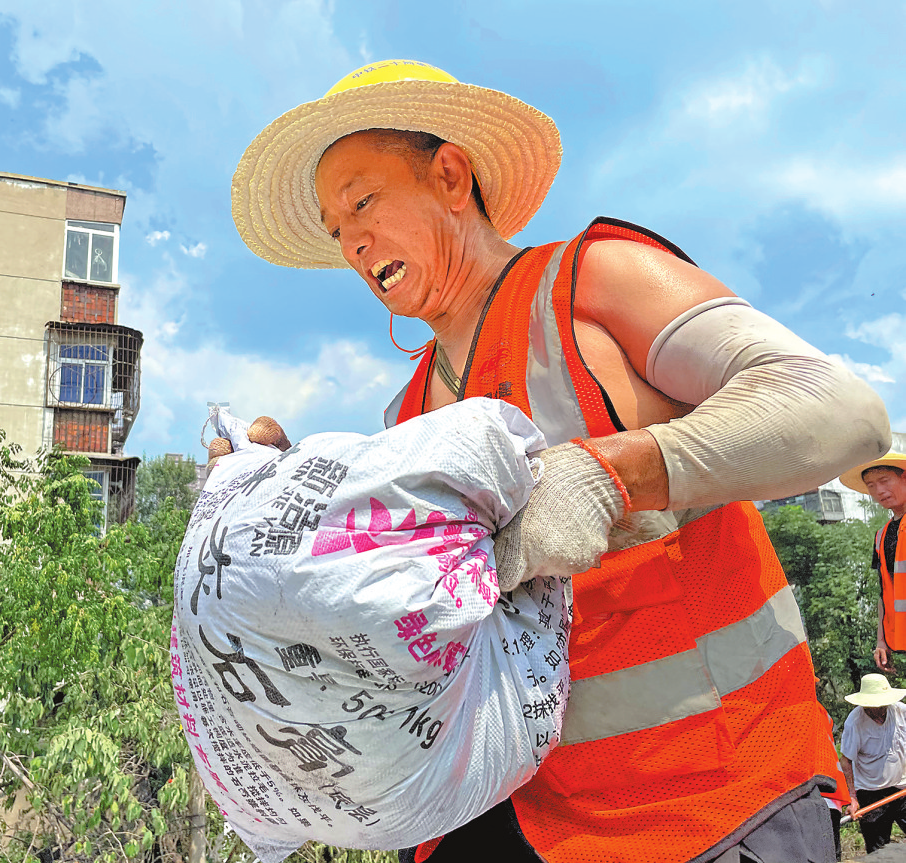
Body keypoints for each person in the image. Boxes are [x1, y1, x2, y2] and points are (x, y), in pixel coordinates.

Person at [222, 59, 892, 863]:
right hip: (502, 816)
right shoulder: (405, 416)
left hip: (704, 801)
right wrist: (293, 524)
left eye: (363, 201)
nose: (352, 241)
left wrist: (611, 473)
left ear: (448, 173)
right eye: (336, 228)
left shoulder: (587, 281)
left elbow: (839, 410)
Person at [840, 453, 906, 675]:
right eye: (871, 485)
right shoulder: (881, 535)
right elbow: (884, 592)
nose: (879, 491)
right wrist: (881, 640)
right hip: (899, 641)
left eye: (885, 481)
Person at [840, 673, 906, 854]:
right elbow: (846, 760)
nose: (881, 708)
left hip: (902, 788)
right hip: (871, 794)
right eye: (877, 704)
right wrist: (852, 798)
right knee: (879, 850)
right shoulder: (855, 722)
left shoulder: (900, 711)